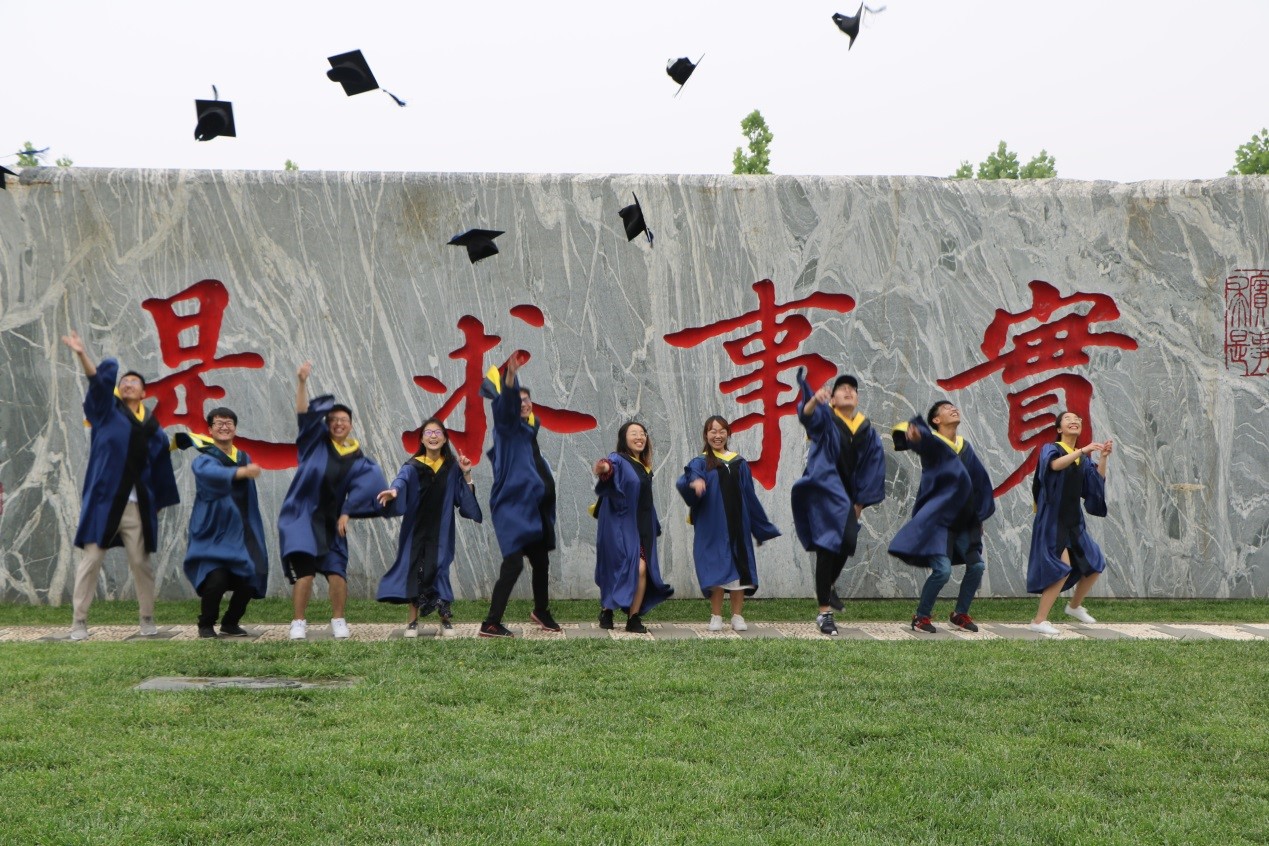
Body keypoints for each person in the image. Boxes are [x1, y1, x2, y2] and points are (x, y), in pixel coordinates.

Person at [61, 330, 179, 641]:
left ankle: (147, 618)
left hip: (136, 506)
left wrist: (156, 503)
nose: (127, 384)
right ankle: (79, 622)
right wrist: (81, 353)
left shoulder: (153, 428)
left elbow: (160, 468)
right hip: (104, 501)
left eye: (134, 382)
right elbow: (98, 384)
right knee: (91, 560)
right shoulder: (106, 413)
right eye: (123, 381)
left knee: (141, 563)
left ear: (143, 392)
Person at [277, 362, 387, 641]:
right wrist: (302, 382)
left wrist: (348, 511)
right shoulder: (314, 443)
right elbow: (303, 414)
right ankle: (298, 622)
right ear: (327, 424)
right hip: (302, 517)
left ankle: (338, 620)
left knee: (337, 572)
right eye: (333, 419)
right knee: (305, 574)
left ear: (351, 425)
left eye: (344, 420)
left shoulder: (357, 458)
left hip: (331, 521)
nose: (339, 423)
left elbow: (366, 486)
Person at [790, 371, 886, 636]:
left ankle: (828, 585)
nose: (848, 391)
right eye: (841, 388)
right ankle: (824, 613)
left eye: (852, 389)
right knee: (827, 547)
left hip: (848, 499)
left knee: (847, 542)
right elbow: (808, 416)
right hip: (824, 493)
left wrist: (861, 502)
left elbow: (873, 466)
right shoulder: (827, 419)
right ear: (831, 400)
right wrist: (814, 400)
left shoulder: (866, 430)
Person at [889, 400, 995, 634]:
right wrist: (912, 436)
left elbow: (979, 482)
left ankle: (959, 614)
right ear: (936, 420)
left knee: (977, 566)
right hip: (938, 522)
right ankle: (921, 617)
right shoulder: (934, 443)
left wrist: (979, 516)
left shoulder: (965, 447)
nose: (953, 408)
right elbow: (913, 436)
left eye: (954, 407)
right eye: (946, 408)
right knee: (943, 571)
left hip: (964, 521)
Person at [478, 355, 562, 638]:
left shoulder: (527, 432)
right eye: (519, 400)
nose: (524, 404)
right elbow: (503, 407)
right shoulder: (507, 429)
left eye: (528, 400)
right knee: (513, 564)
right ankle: (491, 622)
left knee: (541, 561)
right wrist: (511, 378)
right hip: (511, 508)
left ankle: (541, 611)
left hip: (532, 510)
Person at [376, 417, 482, 638]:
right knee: (416, 569)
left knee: (440, 569)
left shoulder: (452, 467)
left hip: (441, 530)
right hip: (416, 529)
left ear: (445, 439)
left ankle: (445, 620)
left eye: (437, 432)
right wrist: (394, 491)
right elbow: (400, 481)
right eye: (428, 433)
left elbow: (464, 498)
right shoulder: (412, 466)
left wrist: (466, 473)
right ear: (422, 439)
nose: (433, 436)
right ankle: (412, 622)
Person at [675, 416, 780, 631]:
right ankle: (716, 616)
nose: (718, 435)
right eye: (713, 431)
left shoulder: (739, 463)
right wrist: (694, 483)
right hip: (713, 525)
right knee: (716, 568)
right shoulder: (700, 462)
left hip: (738, 525)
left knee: (739, 569)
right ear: (706, 435)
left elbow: (749, 496)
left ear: (728, 434)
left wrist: (759, 527)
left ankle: (737, 616)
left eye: (722, 431)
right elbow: (688, 478)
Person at [175, 407, 268, 638]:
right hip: (214, 531)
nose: (224, 427)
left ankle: (230, 622)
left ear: (235, 428)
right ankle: (206, 624)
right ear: (210, 429)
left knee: (250, 576)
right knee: (216, 578)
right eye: (219, 423)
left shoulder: (243, 457)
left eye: (228, 423)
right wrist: (239, 473)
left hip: (242, 529)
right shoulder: (204, 459)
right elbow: (211, 475)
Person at [1026, 412, 1113, 635]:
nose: (1074, 421)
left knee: (1095, 562)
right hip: (1052, 520)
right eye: (1068, 419)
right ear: (1059, 429)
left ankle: (1074, 606)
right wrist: (1083, 450)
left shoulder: (1082, 459)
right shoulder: (1051, 449)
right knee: (1061, 568)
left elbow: (1094, 484)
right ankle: (1039, 620)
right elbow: (1054, 466)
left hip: (1074, 521)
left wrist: (1103, 458)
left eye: (1077, 419)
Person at [593, 421, 675, 633]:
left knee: (641, 569)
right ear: (624, 438)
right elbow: (609, 467)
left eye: (642, 433)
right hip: (619, 525)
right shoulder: (618, 459)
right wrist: (603, 468)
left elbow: (646, 500)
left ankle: (633, 618)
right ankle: (607, 609)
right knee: (619, 566)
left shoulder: (644, 466)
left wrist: (654, 524)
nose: (640, 437)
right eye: (634, 433)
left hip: (641, 527)